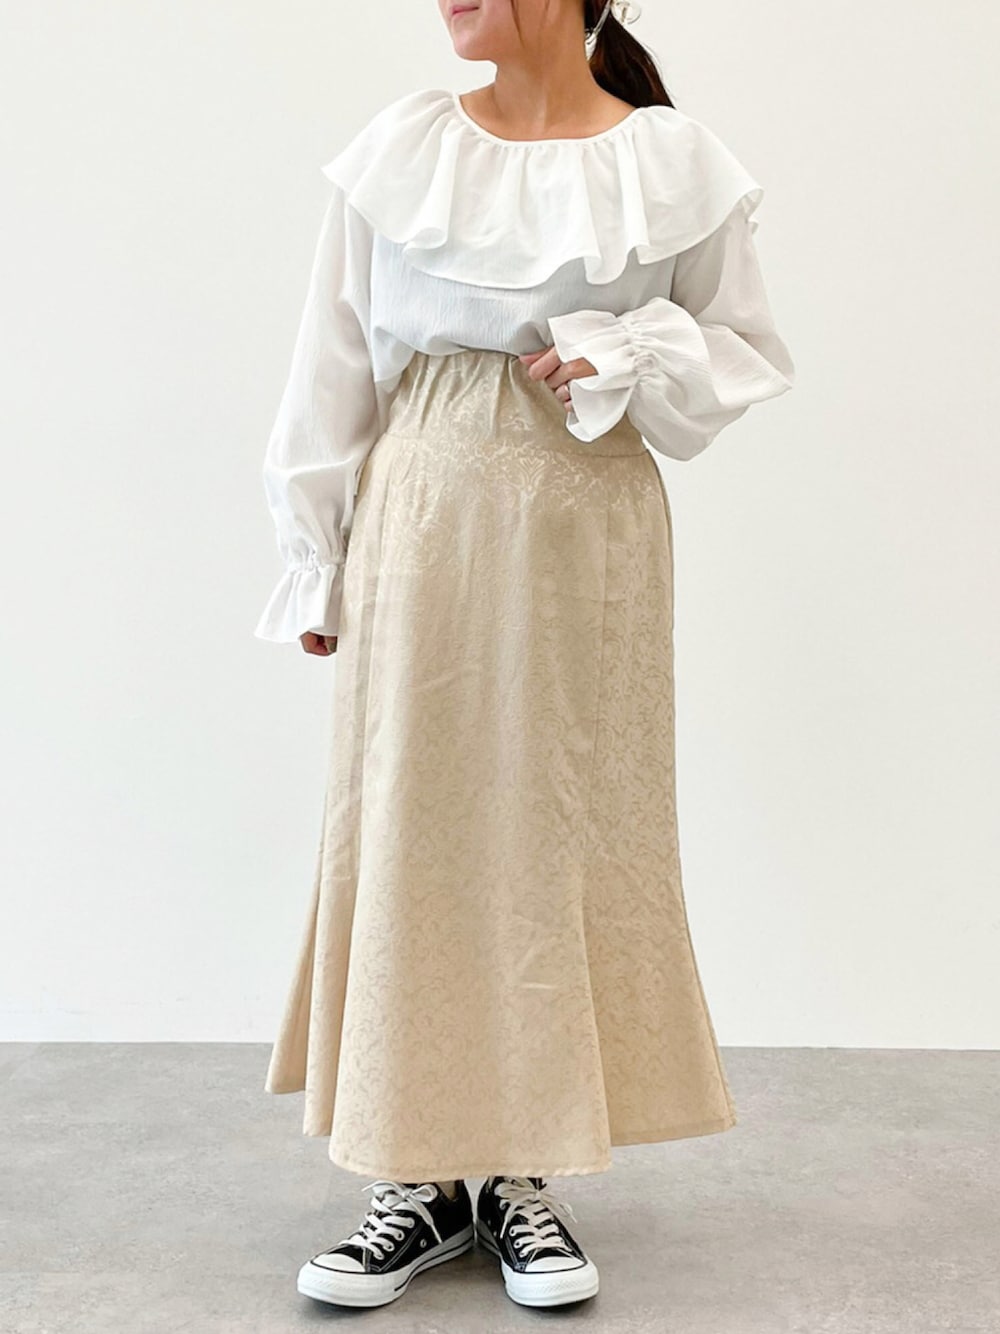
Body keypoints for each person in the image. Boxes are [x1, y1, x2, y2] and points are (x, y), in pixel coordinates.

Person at [254, 0, 795, 1313]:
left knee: (558, 831)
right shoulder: (403, 148)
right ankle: (415, 1173)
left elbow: (743, 355)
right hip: (421, 516)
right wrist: (314, 555)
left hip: (584, 532)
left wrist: (623, 344)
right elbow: (333, 361)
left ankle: (520, 1172)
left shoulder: (671, 161)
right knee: (415, 827)